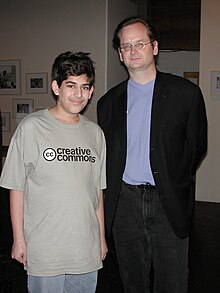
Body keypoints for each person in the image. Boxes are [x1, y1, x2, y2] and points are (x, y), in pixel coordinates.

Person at [97, 16, 207, 293]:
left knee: (172, 281)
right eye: (126, 46)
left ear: (154, 47)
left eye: (139, 43)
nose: (133, 51)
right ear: (120, 55)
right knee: (132, 280)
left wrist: (173, 177)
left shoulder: (187, 94)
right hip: (125, 204)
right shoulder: (108, 103)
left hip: (167, 199)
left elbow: (196, 147)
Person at [0, 51, 108, 293]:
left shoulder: (95, 134)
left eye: (84, 87)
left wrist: (100, 238)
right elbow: (17, 187)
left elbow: (97, 191)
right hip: (46, 248)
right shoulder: (31, 128)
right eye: (71, 85)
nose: (78, 94)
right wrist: (19, 239)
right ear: (56, 87)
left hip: (85, 248)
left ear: (91, 91)